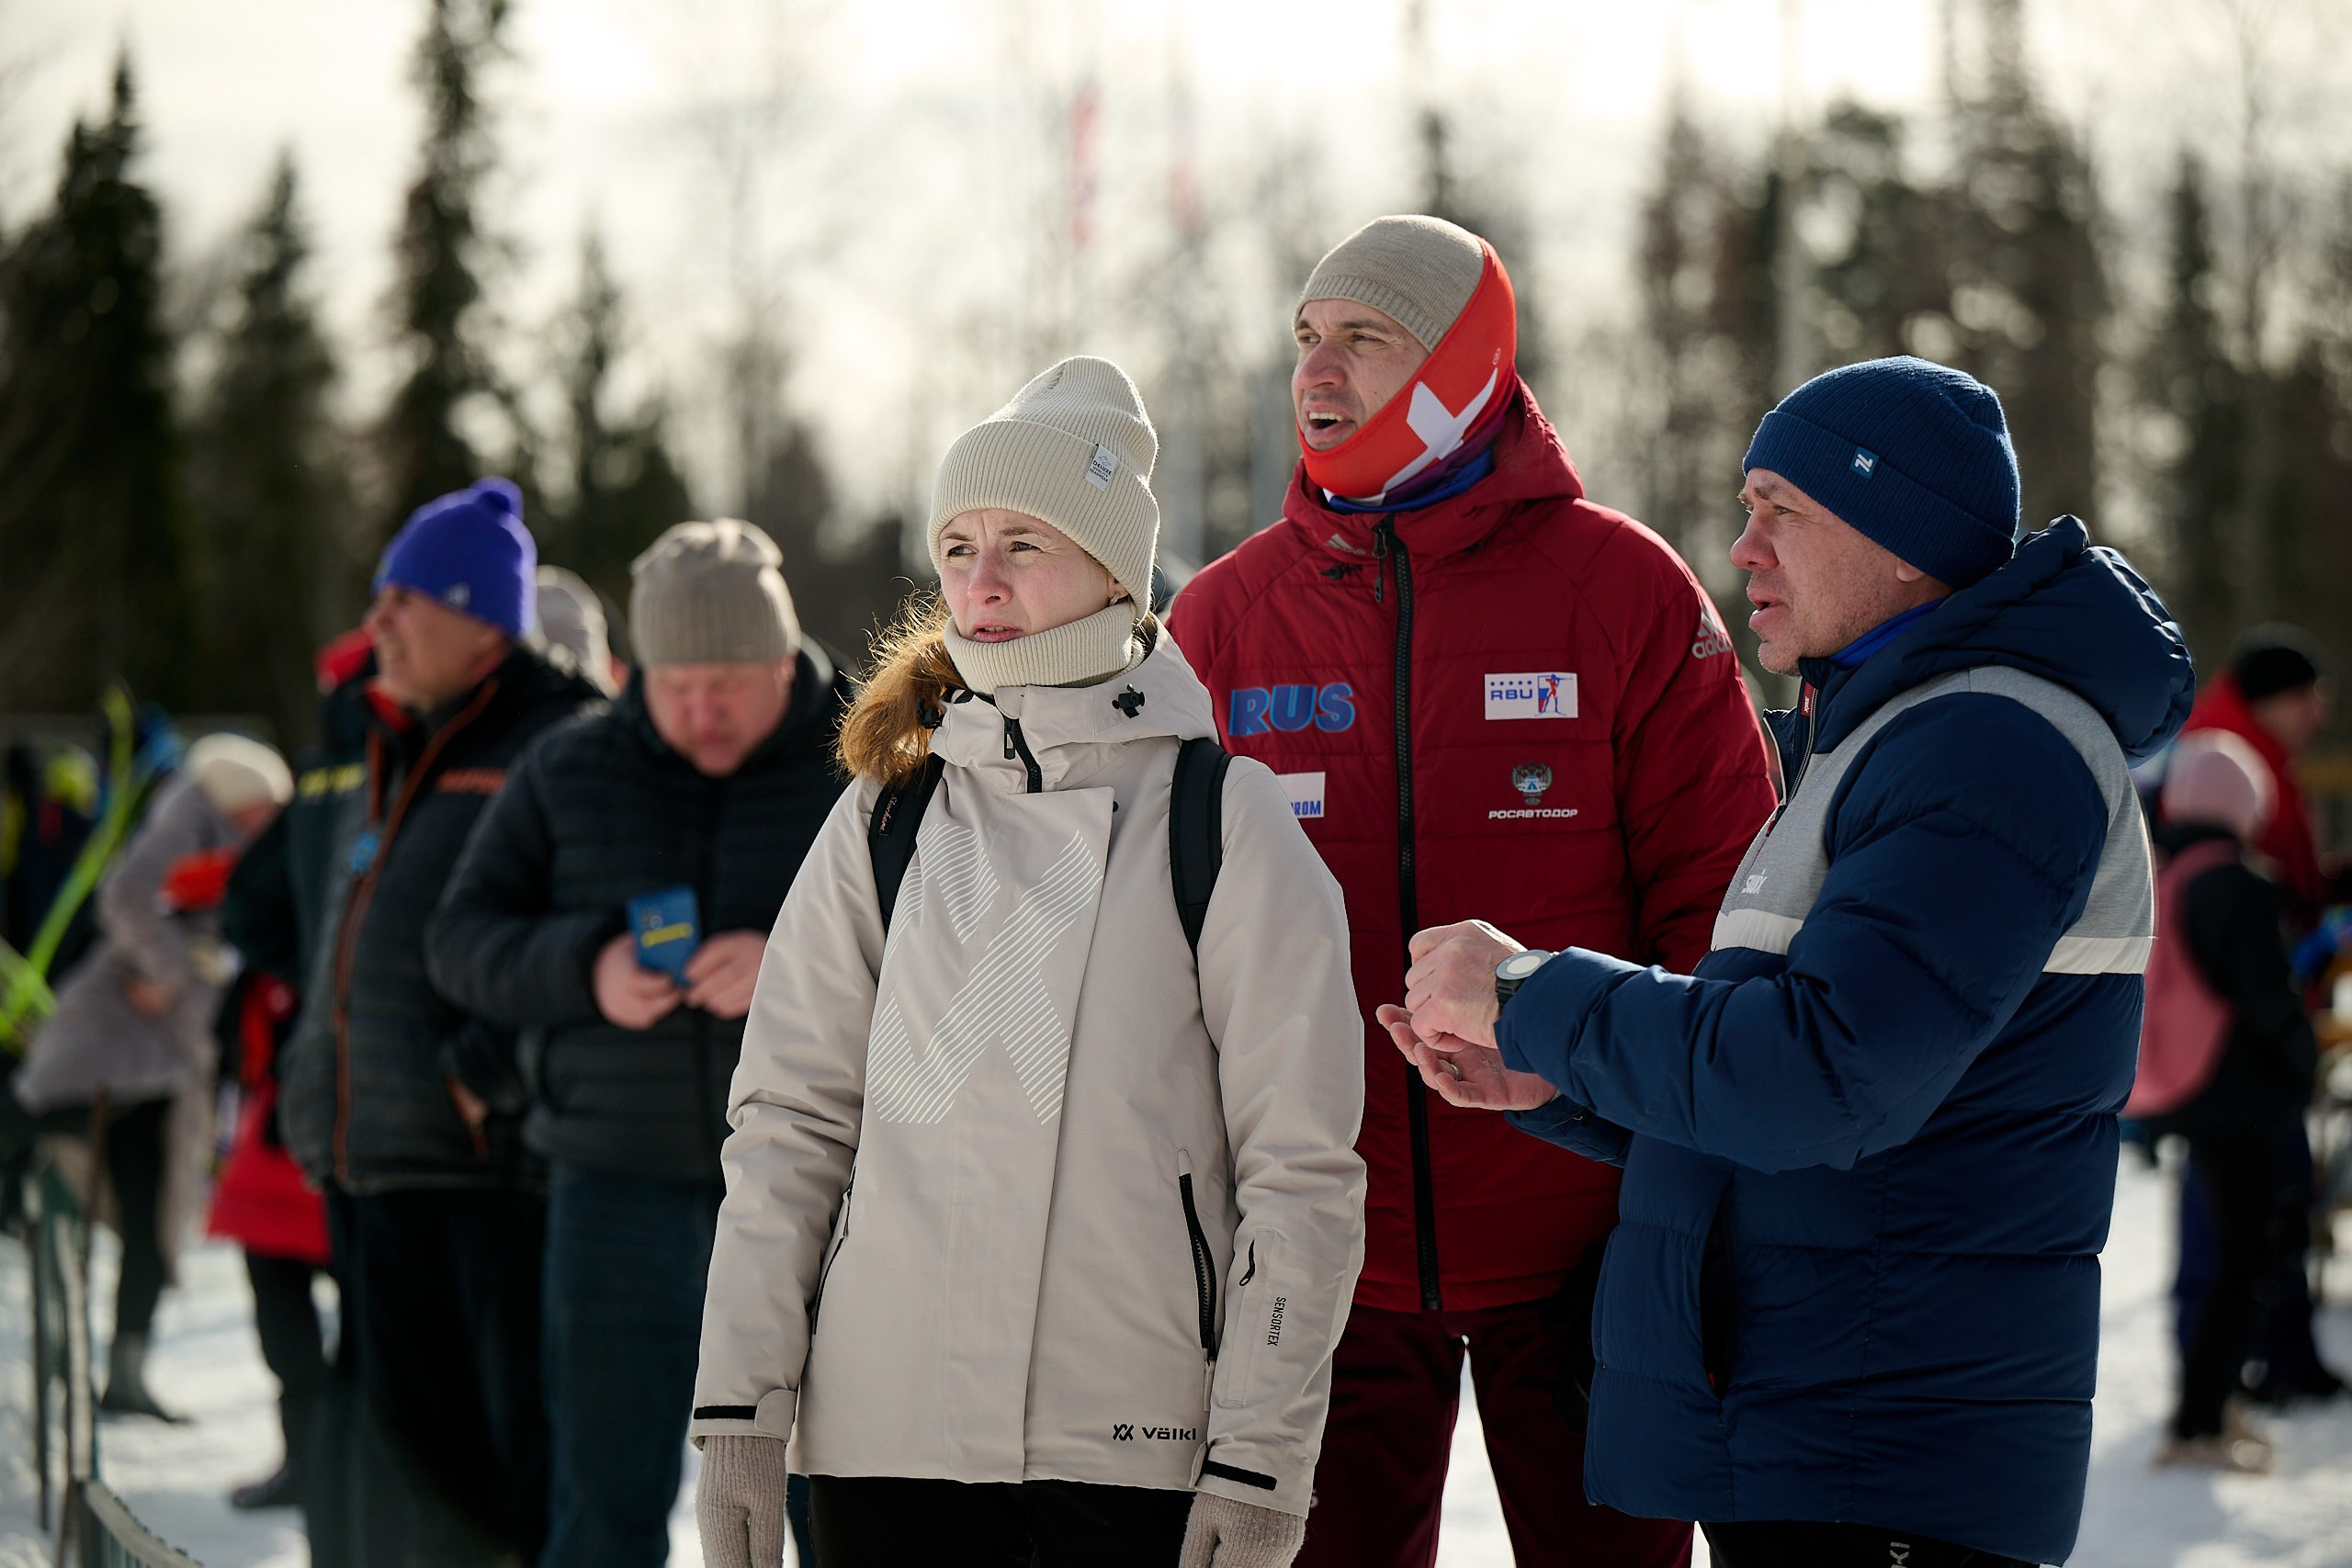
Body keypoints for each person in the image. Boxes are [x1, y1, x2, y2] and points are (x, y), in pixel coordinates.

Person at [1390, 356, 2195, 1568]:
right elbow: (1813, 1081)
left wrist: (1530, 990)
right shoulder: (1886, 735)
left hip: (1883, 1453)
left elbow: (1825, 1077)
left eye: (1782, 509)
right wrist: (1561, 1080)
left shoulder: (1987, 745)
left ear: (1899, 531)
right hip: (1825, 1430)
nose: (1741, 547)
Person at [1166, 214, 1773, 1568]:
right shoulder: (1219, 621)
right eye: (1306, 340)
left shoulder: (1622, 588)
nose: (1318, 372)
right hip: (1325, 1258)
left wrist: (1690, 1201)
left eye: (1364, 340)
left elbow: (1725, 922)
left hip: (1590, 1251)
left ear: (1462, 362)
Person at [689, 356, 1366, 1568]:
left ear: (1116, 568)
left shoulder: (1223, 820)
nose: (980, 581)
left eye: (1023, 544)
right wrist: (740, 1409)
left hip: (1123, 1449)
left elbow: (1300, 1171)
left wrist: (1263, 1457)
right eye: (957, 546)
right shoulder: (886, 815)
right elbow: (788, 1123)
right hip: (883, 1443)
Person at [428, 520, 854, 1568]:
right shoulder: (569, 766)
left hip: (834, 1200)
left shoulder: (871, 756)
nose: (700, 710)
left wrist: (793, 967)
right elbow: (458, 941)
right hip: (615, 1193)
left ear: (781, 663)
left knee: (836, 1505)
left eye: (728, 683)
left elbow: (964, 953)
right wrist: (588, 969)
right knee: (606, 1505)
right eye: (675, 684)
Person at [277, 479, 603, 1562]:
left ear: (474, 614)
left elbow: (586, 947)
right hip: (378, 1164)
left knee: (493, 1490)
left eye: (398, 604)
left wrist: (482, 1080)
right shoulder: (404, 739)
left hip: (486, 1181)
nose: (374, 630)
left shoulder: (552, 744)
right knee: (410, 1483)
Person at [14, 733, 291, 1420]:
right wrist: (185, 971)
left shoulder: (218, 831)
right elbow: (128, 898)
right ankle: (106, 1371)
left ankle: (125, 1375)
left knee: (150, 1220)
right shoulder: (191, 818)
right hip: (109, 1059)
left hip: (152, 1069)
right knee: (93, 1196)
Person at [2127, 732, 2317, 1473]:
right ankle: (2199, 1419)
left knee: (2233, 1254)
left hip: (2193, 1090)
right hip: (2243, 1095)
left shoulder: (2171, 874)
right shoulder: (2235, 883)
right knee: (2251, 1256)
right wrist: (2301, 1061)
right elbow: (2267, 998)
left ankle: (2207, 1405)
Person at [2170, 626, 2346, 1406]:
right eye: (2309, 697)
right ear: (2276, 698)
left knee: (2244, 1217)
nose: (2318, 714)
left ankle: (2241, 1367)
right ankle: (2233, 1375)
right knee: (2246, 1221)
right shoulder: (2231, 767)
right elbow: (2253, 938)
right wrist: (2296, 1040)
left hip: (2229, 1060)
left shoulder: (2230, 757)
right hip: (2240, 1061)